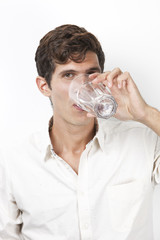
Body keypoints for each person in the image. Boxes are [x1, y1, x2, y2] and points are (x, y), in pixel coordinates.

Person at [0, 24, 160, 240]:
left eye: (91, 74)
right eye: (68, 75)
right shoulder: (13, 162)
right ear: (44, 86)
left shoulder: (142, 141)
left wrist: (145, 114)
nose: (82, 86)